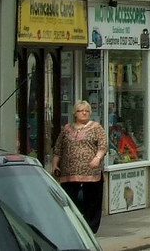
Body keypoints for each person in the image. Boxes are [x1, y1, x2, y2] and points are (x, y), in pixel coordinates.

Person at [52, 100, 108, 233]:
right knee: (70, 200)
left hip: (91, 172)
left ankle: (90, 229)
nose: (84, 113)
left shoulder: (96, 127)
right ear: (74, 113)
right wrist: (55, 163)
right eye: (80, 111)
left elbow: (103, 145)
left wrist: (97, 158)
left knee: (92, 202)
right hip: (69, 173)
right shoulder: (67, 129)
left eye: (87, 111)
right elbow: (58, 148)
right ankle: (72, 227)